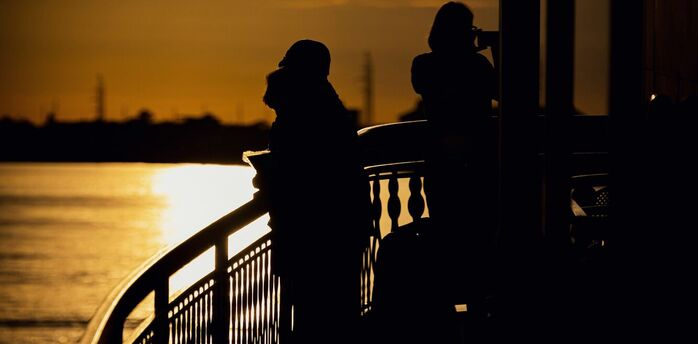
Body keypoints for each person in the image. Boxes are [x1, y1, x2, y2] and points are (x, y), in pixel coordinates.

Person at [262, 39, 369, 344]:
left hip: (309, 233)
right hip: (344, 228)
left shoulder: (298, 116)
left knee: (313, 312)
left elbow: (294, 169)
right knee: (338, 309)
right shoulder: (333, 110)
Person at [411, 1, 498, 317]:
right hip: (478, 163)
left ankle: (446, 316)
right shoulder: (476, 67)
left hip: (443, 162)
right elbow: (505, 91)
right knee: (477, 237)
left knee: (447, 236)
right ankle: (476, 312)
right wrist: (497, 50)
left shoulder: (424, 64)